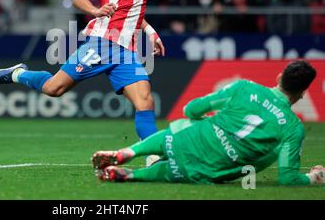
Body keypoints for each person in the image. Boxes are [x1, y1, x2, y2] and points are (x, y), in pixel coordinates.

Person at [0, 0, 165, 165]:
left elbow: (135, 13)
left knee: (145, 101)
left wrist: (151, 32)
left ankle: (153, 158)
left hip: (127, 51)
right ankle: (17, 73)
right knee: (54, 89)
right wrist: (96, 10)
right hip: (102, 43)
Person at [92, 60, 325, 186]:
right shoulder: (294, 129)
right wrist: (315, 177)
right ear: (303, 93)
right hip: (207, 167)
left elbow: (191, 109)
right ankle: (133, 176)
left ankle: (128, 152)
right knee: (176, 171)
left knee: (182, 128)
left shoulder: (244, 87)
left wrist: (203, 120)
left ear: (278, 77)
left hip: (188, 139)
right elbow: (288, 178)